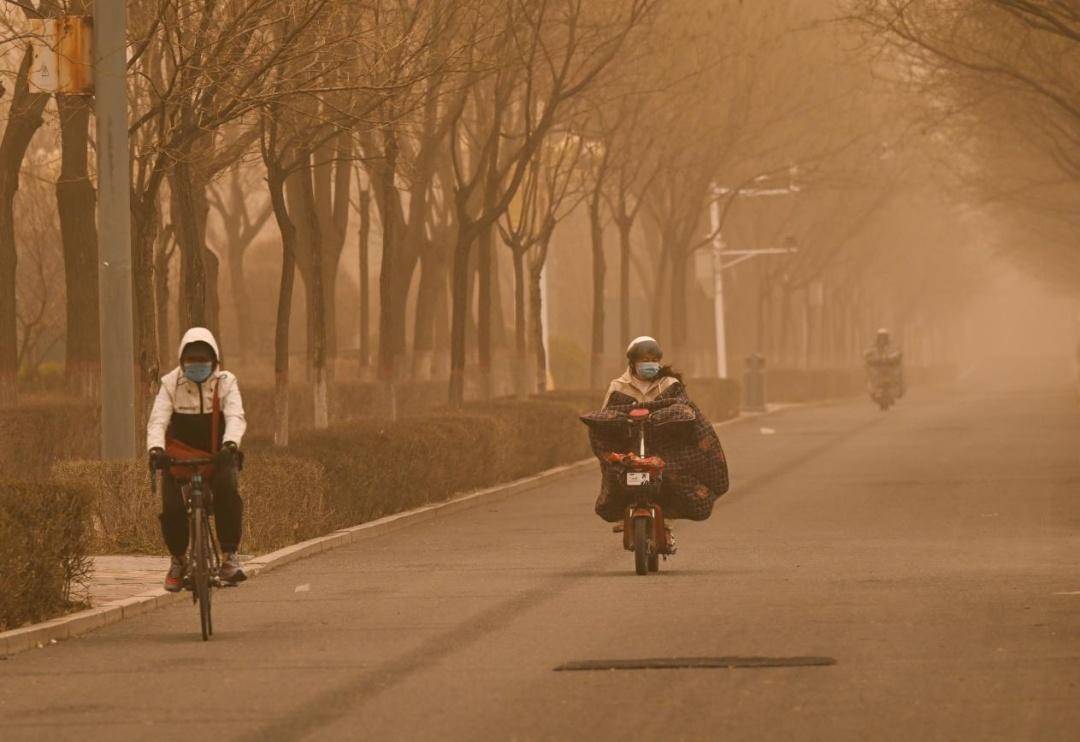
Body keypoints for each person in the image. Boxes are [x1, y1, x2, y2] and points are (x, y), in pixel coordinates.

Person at [584, 336, 729, 525]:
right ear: (633, 362)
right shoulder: (618, 386)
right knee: (619, 473)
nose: (650, 364)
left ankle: (668, 515)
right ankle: (624, 512)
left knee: (673, 473)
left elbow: (685, 411)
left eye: (654, 360)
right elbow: (607, 416)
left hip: (665, 444)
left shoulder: (670, 384)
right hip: (630, 442)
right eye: (645, 360)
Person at [147, 327, 247, 592]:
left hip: (218, 455)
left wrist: (231, 445)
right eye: (191, 361)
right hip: (178, 458)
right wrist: (156, 450)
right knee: (172, 508)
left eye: (203, 361)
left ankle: (229, 557)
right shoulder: (170, 383)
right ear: (182, 361)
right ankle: (179, 560)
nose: (197, 366)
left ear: (214, 361)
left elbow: (236, 416)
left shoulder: (226, 382)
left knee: (228, 491)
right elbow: (158, 420)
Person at [864, 327, 905, 398]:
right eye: (881, 336)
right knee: (870, 374)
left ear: (887, 337)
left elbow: (898, 351)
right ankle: (872, 391)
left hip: (890, 366)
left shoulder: (892, 345)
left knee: (898, 373)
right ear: (878, 337)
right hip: (877, 366)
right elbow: (867, 352)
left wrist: (894, 357)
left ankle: (899, 390)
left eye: (884, 336)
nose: (882, 338)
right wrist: (870, 357)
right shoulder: (873, 345)